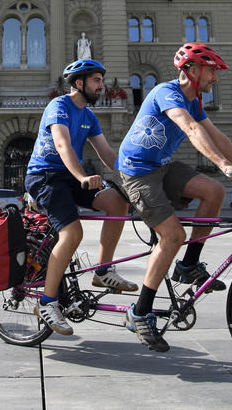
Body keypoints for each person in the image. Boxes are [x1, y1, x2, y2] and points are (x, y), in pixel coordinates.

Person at [112, 43, 232, 353]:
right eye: (211, 72)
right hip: (137, 172)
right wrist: (222, 164)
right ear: (192, 72)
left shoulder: (195, 101)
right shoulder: (167, 93)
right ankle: (140, 312)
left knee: (214, 192)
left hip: (162, 167)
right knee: (173, 235)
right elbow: (190, 128)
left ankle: (188, 266)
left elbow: (218, 136)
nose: (215, 79)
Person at [26, 59, 136, 337]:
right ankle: (48, 303)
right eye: (97, 81)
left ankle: (102, 271)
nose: (102, 86)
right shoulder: (59, 106)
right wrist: (82, 176)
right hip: (46, 176)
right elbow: (62, 144)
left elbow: (108, 155)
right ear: (79, 84)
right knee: (72, 233)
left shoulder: (89, 116)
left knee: (117, 202)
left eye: (101, 80)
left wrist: (137, 181)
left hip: (71, 177)